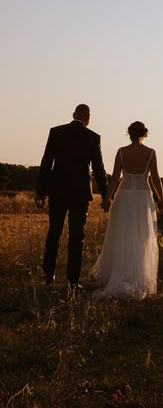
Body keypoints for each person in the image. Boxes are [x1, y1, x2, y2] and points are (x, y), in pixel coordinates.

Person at [36, 104, 108, 290]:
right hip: (80, 193)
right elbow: (98, 168)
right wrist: (106, 194)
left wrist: (40, 191)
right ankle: (72, 281)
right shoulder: (93, 137)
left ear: (73, 115)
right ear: (88, 117)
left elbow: (46, 162)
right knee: (77, 236)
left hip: (57, 190)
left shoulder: (56, 132)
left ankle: (48, 275)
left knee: (54, 231)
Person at [91, 121, 163, 299]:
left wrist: (108, 198)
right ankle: (137, 275)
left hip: (123, 198)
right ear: (144, 134)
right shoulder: (150, 153)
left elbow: (115, 178)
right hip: (142, 199)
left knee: (122, 235)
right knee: (141, 237)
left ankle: (119, 273)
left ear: (129, 134)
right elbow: (155, 178)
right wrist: (162, 200)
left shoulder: (122, 152)